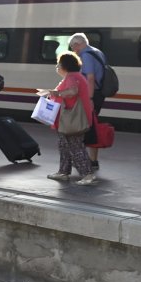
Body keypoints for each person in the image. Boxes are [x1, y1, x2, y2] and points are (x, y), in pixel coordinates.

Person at [42, 51, 96, 185]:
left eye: (59, 64)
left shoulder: (72, 77)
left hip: (72, 119)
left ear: (65, 65)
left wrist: (56, 93)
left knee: (75, 146)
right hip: (68, 119)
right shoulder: (74, 76)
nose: (57, 66)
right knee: (64, 145)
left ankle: (87, 175)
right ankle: (63, 172)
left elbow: (72, 92)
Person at [69, 33, 108, 171]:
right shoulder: (97, 52)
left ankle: (84, 160)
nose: (74, 50)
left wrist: (89, 99)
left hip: (91, 95)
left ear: (78, 44)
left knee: (82, 126)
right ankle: (93, 160)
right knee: (92, 126)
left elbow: (90, 78)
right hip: (98, 93)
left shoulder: (86, 55)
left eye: (73, 47)